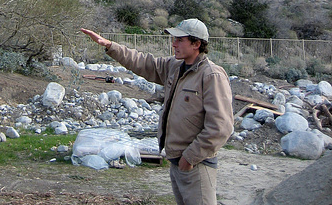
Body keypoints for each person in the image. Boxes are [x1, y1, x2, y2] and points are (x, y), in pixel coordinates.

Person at [81, 18, 234, 205]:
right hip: (178, 162)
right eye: (174, 39)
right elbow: (143, 62)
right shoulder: (175, 67)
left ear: (197, 44)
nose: (174, 44)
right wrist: (111, 46)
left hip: (196, 165)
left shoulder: (212, 75)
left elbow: (221, 127)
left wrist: (190, 157)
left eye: (180, 40)